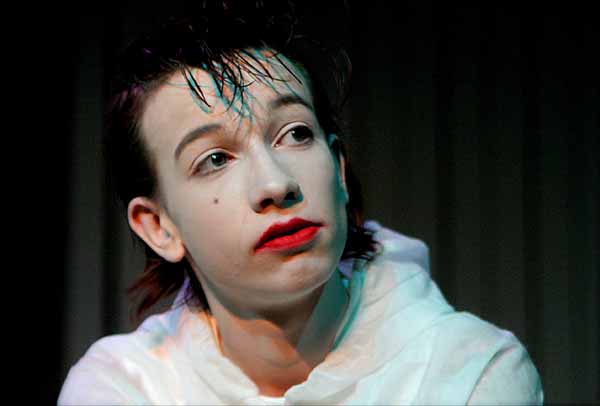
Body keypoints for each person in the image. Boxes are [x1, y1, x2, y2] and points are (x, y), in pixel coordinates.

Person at [58, 2, 543, 404]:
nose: (275, 184)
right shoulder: (122, 388)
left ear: (338, 169)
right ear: (158, 226)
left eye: (295, 133)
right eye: (214, 159)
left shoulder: (469, 374)